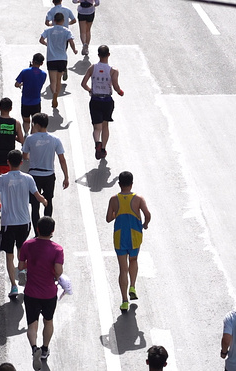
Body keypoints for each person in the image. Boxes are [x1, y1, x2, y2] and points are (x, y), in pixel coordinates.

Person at [0, 150, 47, 297]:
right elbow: (38, 197)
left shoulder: (1, 179)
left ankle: (13, 286)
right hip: (24, 223)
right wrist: (45, 201)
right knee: (22, 250)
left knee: (9, 255)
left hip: (8, 224)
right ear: (21, 162)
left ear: (8, 162)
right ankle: (23, 270)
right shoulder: (28, 178)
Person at [18, 217, 64, 370]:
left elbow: (20, 266)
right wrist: (57, 277)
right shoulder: (57, 249)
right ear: (52, 231)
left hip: (31, 291)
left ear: (37, 229)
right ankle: (44, 349)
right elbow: (58, 271)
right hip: (49, 293)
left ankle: (34, 349)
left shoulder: (27, 245)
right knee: (48, 321)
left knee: (32, 324)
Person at [105, 171, 151, 312]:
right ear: (132, 183)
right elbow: (147, 215)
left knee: (122, 269)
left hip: (120, 236)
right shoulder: (138, 199)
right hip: (135, 235)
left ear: (119, 184)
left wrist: (118, 212)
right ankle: (133, 286)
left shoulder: (114, 199)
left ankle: (124, 300)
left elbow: (108, 218)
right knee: (134, 260)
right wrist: (145, 224)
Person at [22, 113, 69, 234]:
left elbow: (25, 156)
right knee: (48, 202)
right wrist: (66, 177)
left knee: (35, 205)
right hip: (49, 175)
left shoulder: (30, 139)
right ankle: (48, 231)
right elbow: (62, 159)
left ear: (36, 125)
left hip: (34, 176)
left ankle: (37, 233)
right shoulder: (55, 139)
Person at [80, 45, 124, 159]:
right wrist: (120, 92)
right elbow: (115, 86)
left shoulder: (92, 67)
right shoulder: (113, 70)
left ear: (98, 55)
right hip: (107, 101)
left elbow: (83, 84)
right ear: (108, 55)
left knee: (96, 127)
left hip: (95, 100)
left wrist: (90, 90)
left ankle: (97, 143)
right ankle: (103, 149)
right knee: (105, 126)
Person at [0, 98, 24, 213]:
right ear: (11, 109)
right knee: (11, 180)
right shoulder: (16, 123)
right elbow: (22, 140)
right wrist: (13, 136)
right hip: (10, 158)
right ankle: (11, 203)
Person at [39, 13, 77, 108]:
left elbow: (41, 40)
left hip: (51, 58)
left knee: (53, 81)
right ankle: (56, 95)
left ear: (54, 21)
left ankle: (54, 95)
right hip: (62, 58)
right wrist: (74, 50)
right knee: (59, 80)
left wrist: (46, 44)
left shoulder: (48, 30)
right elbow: (71, 41)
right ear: (63, 21)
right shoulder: (66, 31)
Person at [15, 54, 47, 136]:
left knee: (26, 120)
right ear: (42, 63)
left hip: (25, 101)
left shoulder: (25, 71)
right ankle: (33, 137)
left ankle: (26, 134)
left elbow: (16, 84)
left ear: (32, 61)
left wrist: (21, 84)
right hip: (36, 101)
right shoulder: (43, 74)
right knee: (35, 121)